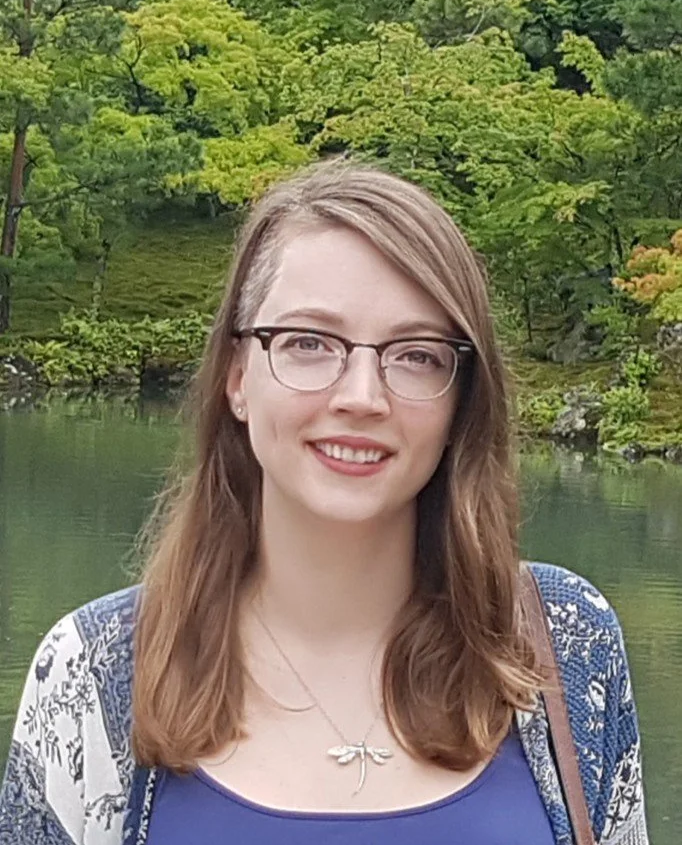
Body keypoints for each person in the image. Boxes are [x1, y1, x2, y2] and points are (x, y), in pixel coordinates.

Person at [0, 162, 647, 845]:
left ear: (462, 395)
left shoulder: (563, 647)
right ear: (237, 375)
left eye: (416, 354)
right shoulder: (95, 671)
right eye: (309, 343)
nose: (362, 396)